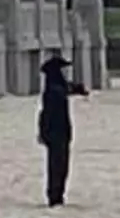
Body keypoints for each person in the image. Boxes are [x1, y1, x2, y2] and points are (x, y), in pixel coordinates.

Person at [37, 52, 88, 207]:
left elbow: (67, 88)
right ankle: (55, 196)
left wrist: (77, 89)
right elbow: (47, 111)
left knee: (59, 165)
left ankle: (57, 195)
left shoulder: (54, 86)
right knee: (58, 165)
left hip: (59, 132)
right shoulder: (54, 90)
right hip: (57, 133)